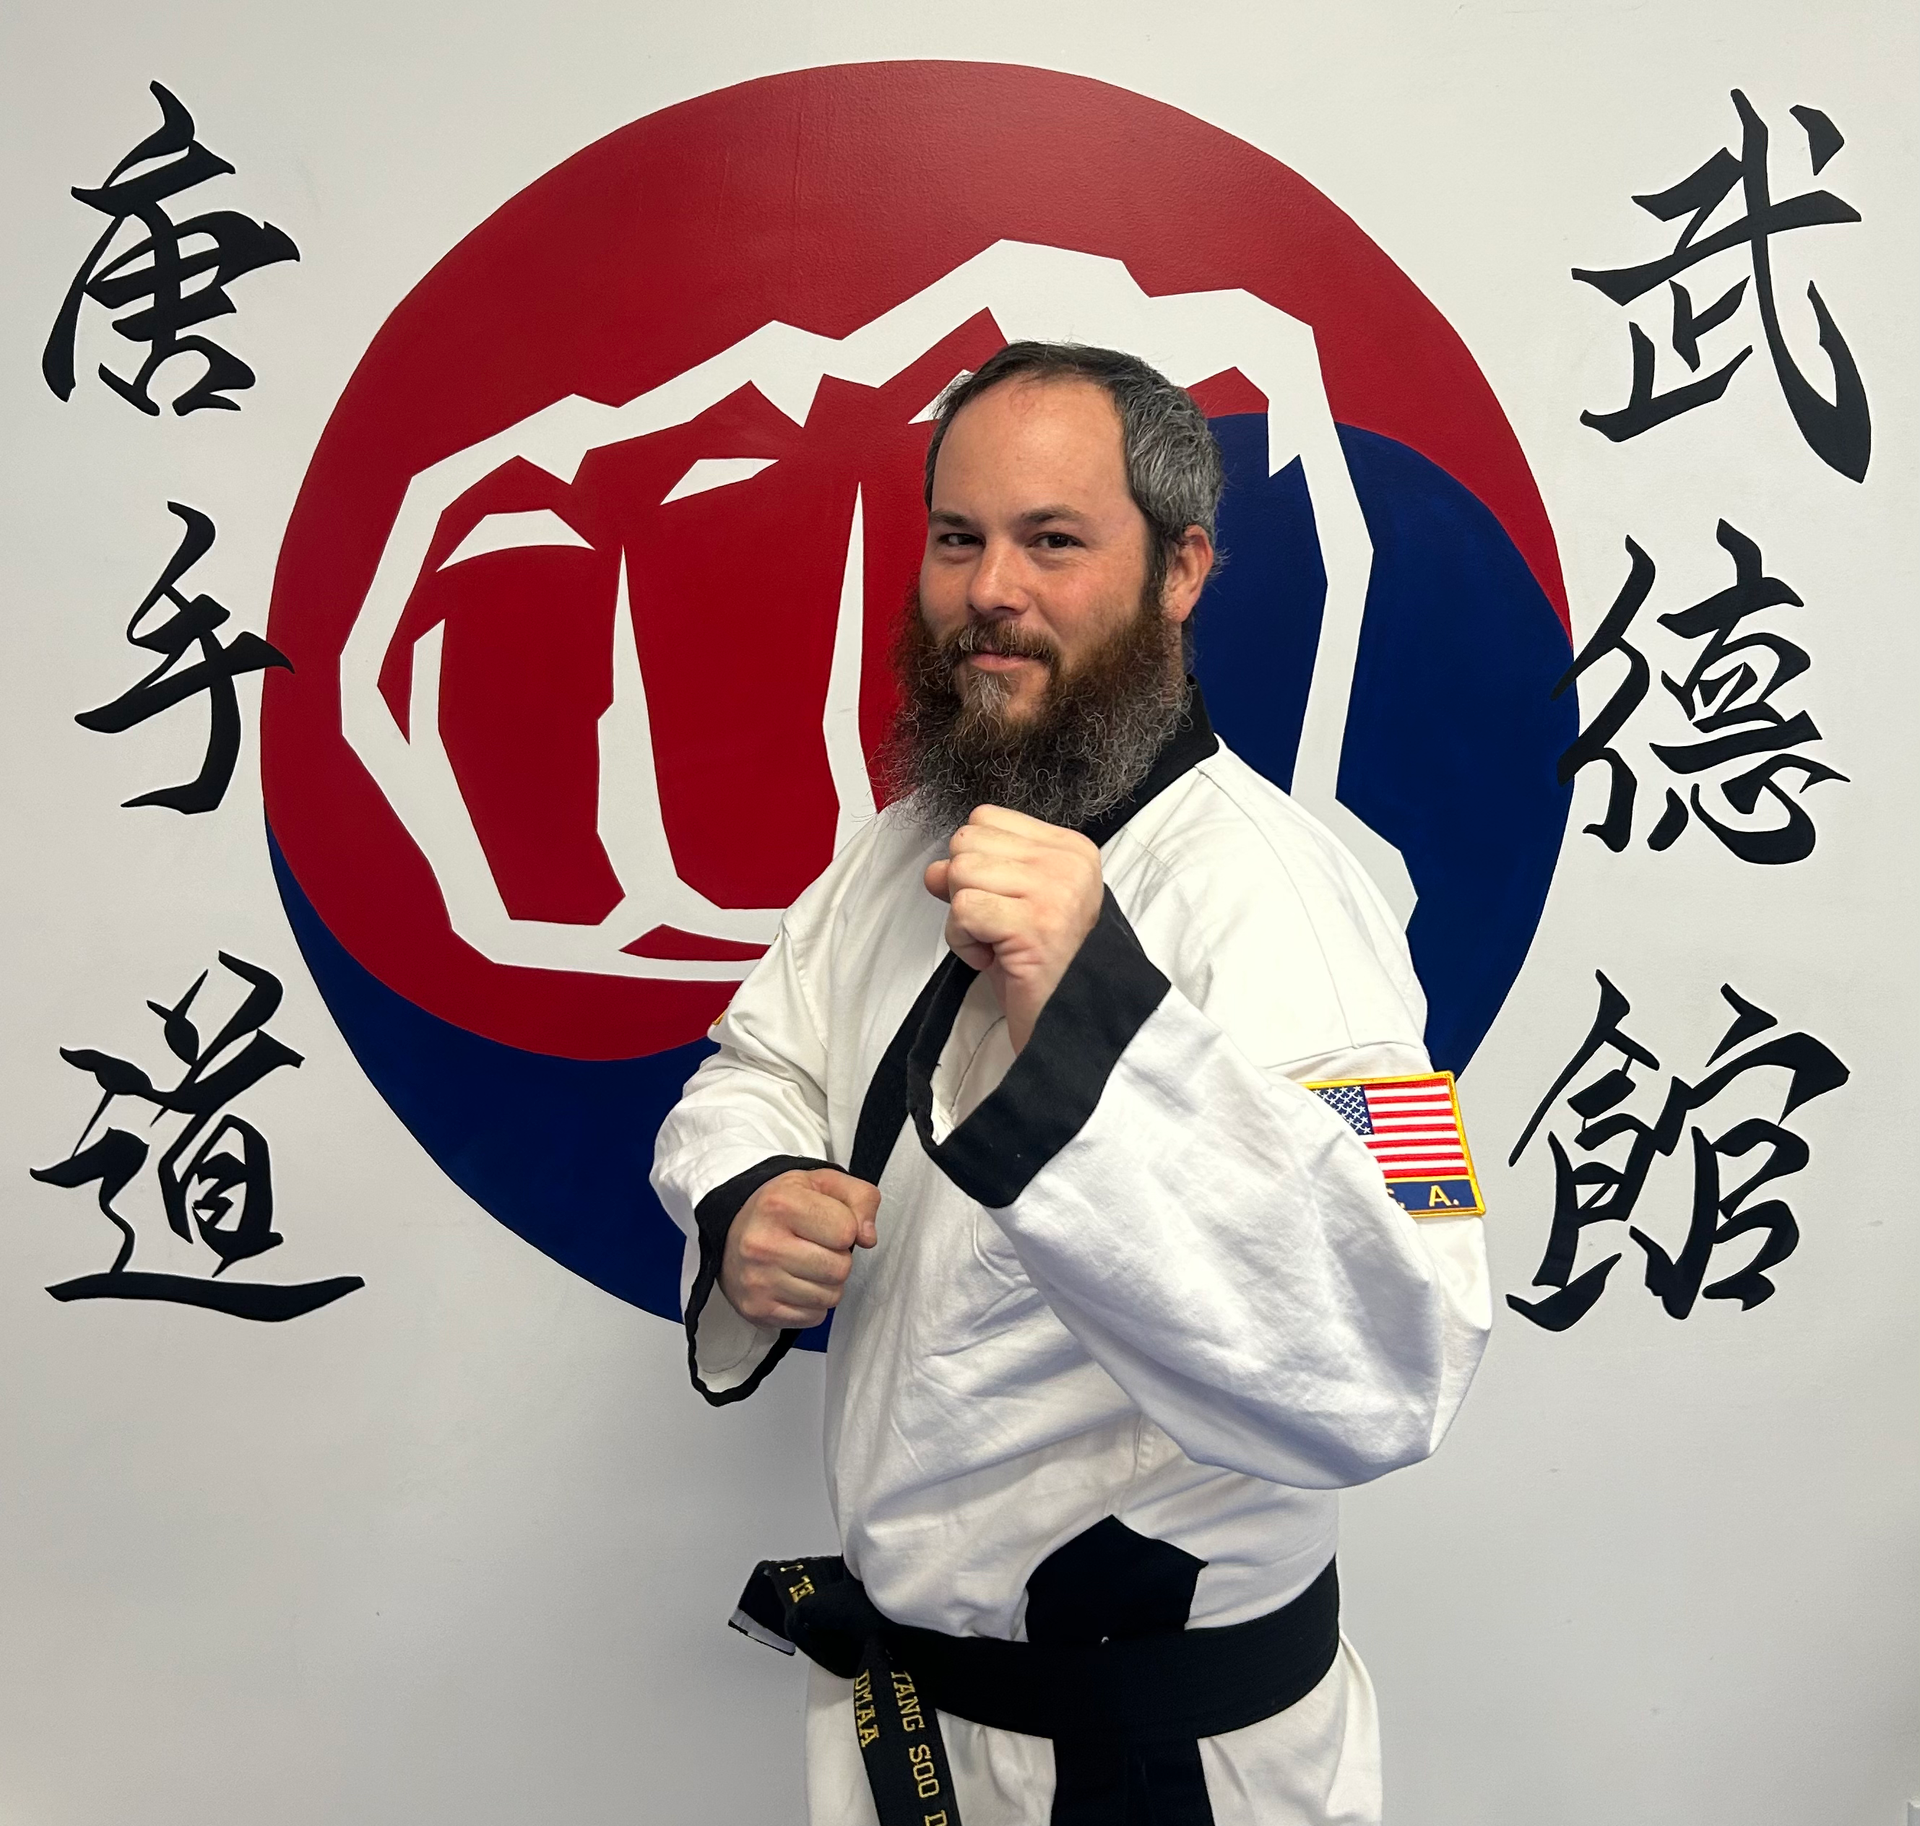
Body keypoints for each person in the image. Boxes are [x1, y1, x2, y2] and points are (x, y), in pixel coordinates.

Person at [651, 341, 1490, 1826]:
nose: (991, 590)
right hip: (915, 1717)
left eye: (1053, 540)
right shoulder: (905, 842)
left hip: (1159, 1766)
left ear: (1181, 571)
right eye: (957, 538)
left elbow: (1403, 1350)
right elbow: (761, 1061)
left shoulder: (1293, 903)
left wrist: (1099, 1001)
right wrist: (747, 1192)